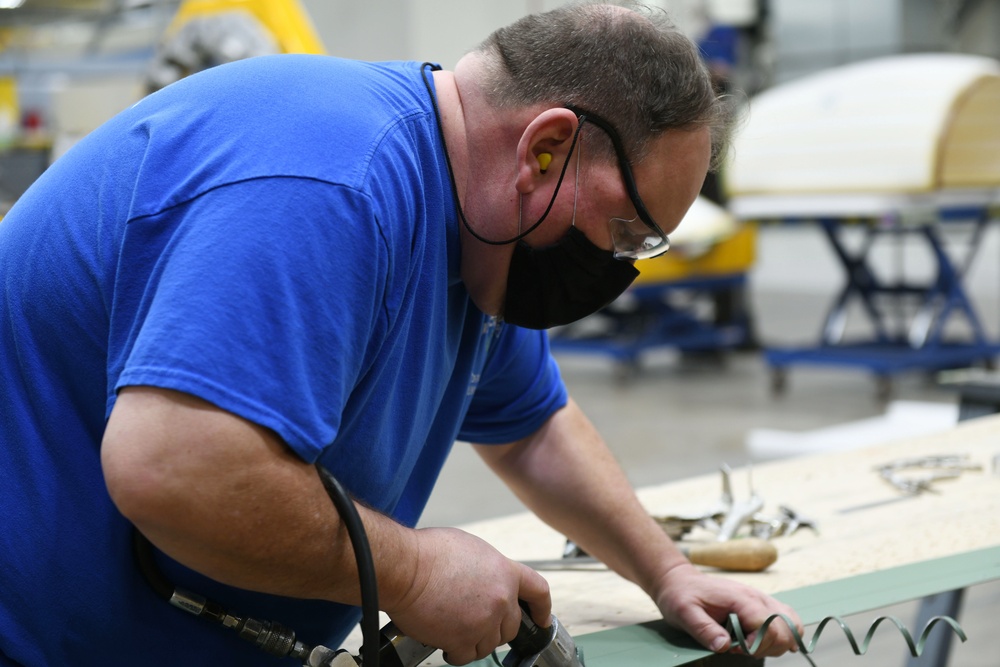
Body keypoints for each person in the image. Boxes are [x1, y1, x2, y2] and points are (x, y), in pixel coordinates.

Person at [0, 2, 802, 665]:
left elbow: (534, 428)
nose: (622, 263)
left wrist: (666, 572)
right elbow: (174, 469)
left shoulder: (478, 238)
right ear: (546, 147)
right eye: (627, 229)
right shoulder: (329, 182)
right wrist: (415, 572)